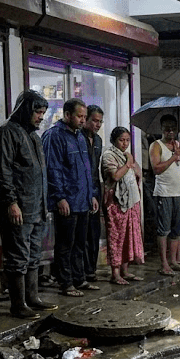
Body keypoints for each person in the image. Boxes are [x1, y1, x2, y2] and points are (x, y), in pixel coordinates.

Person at [0, 89, 58, 318]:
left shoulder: (33, 136)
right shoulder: (6, 133)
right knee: (17, 255)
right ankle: (17, 303)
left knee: (33, 254)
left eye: (43, 112)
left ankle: (32, 297)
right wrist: (11, 202)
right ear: (25, 110)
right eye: (37, 112)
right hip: (18, 207)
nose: (40, 117)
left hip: (36, 207)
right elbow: (1, 171)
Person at [43, 98, 99, 297]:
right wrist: (59, 198)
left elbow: (87, 169)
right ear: (67, 115)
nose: (83, 120)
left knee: (80, 243)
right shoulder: (54, 136)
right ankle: (65, 283)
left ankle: (79, 279)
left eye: (84, 117)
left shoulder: (80, 136)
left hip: (83, 200)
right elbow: (53, 169)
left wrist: (91, 194)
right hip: (67, 201)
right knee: (65, 245)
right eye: (79, 116)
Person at [101, 126, 145, 285]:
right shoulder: (109, 155)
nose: (125, 143)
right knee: (116, 237)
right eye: (121, 140)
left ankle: (125, 270)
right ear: (114, 140)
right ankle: (115, 273)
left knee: (129, 235)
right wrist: (128, 164)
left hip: (131, 201)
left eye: (127, 140)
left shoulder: (127, 155)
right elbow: (115, 175)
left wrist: (132, 163)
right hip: (115, 202)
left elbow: (138, 173)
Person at [149, 114, 180, 276]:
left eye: (173, 129)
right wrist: (173, 157)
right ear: (162, 129)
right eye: (167, 129)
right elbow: (156, 169)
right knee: (164, 229)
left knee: (177, 229)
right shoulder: (156, 146)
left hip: (179, 192)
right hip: (164, 193)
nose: (170, 132)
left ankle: (174, 261)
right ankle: (164, 263)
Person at [81, 105, 105, 283]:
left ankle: (91, 270)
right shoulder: (77, 137)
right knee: (81, 235)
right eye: (95, 121)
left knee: (94, 233)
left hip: (95, 189)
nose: (97, 125)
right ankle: (80, 272)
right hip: (80, 191)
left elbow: (95, 169)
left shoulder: (97, 141)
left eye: (100, 122)